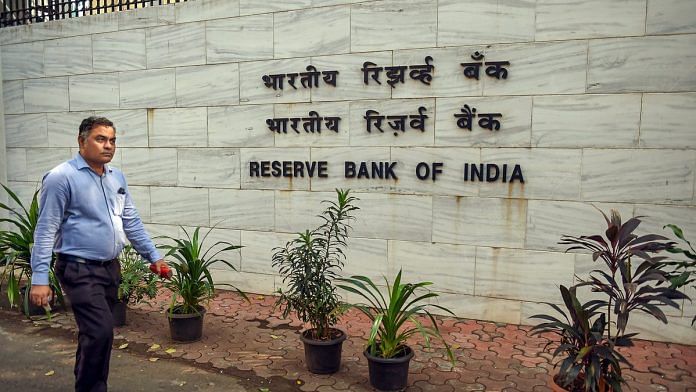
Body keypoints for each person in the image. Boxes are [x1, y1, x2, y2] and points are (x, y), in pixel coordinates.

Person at [30, 116, 168, 392]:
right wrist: (39, 278)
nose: (108, 146)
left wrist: (153, 256)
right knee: (101, 331)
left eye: (113, 140)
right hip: (78, 269)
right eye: (101, 139)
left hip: (109, 269)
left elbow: (131, 221)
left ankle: (87, 384)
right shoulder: (61, 178)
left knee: (94, 335)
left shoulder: (117, 177)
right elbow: (46, 229)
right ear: (82, 142)